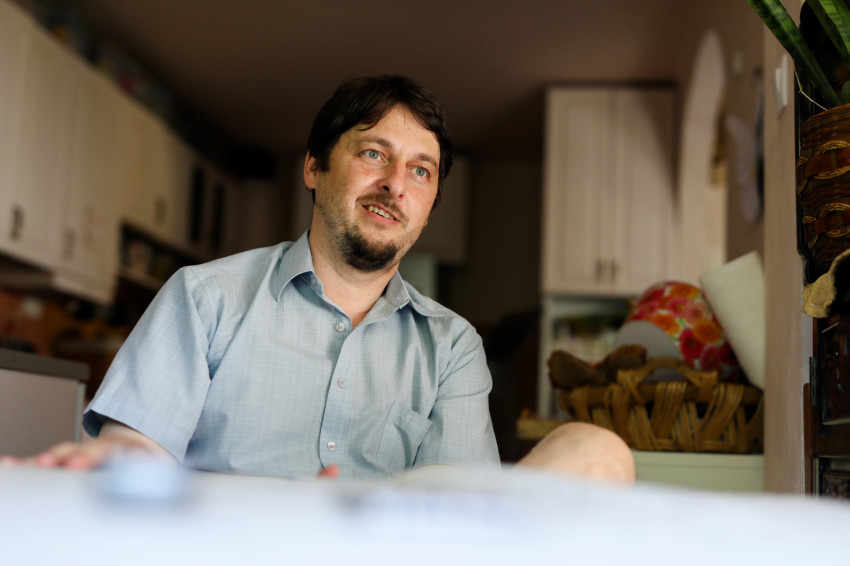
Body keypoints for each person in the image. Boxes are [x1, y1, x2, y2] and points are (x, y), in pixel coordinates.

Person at [1, 75, 634, 483]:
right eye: (373, 153)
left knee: (597, 450)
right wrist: (119, 457)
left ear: (429, 206)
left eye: (420, 171)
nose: (394, 185)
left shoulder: (452, 347)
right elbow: (138, 447)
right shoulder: (204, 298)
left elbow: (457, 505)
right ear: (314, 167)